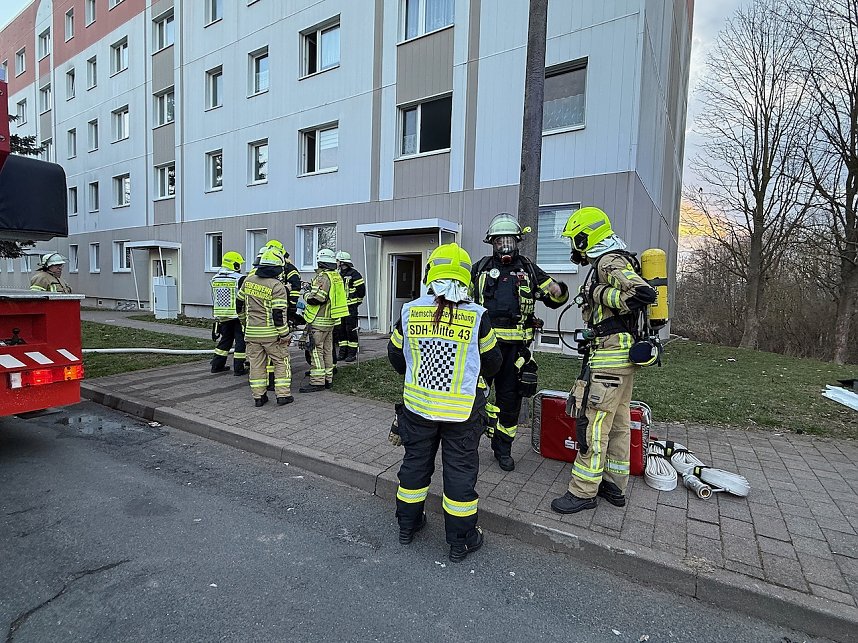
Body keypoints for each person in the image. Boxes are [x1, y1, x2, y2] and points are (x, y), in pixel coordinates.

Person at [388, 243, 502, 562]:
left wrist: (416, 371)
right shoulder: (477, 315)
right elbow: (493, 362)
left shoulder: (410, 310)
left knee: (414, 465)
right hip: (462, 411)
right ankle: (460, 540)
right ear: (466, 277)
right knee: (460, 472)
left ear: (430, 274)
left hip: (418, 408)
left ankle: (407, 526)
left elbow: (396, 355)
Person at [550, 207, 657, 514]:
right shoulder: (614, 259)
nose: (573, 248)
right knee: (620, 422)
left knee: (593, 424)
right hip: (620, 357)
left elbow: (642, 294)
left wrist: (596, 292)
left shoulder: (608, 262)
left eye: (575, 241)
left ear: (586, 238)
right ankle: (614, 485)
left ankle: (583, 492)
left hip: (610, 359)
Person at [471, 213, 569, 471]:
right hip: (483, 349)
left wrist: (559, 291)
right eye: (500, 241)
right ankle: (467, 445)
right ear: (491, 243)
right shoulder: (479, 268)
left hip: (516, 352)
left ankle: (503, 450)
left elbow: (554, 297)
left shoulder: (528, 269)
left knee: (510, 402)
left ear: (517, 242)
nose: (505, 246)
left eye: (510, 241)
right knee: (474, 397)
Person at [238, 248, 294, 407]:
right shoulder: (277, 286)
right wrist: (285, 335)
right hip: (271, 336)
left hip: (252, 334)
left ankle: (259, 397)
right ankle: (283, 395)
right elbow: (278, 315)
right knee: (281, 362)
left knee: (256, 365)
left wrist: (245, 323)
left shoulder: (248, 281)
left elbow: (239, 304)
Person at [299, 248, 349, 393]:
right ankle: (328, 379)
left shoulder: (323, 277)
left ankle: (317, 382)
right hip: (330, 321)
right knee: (327, 351)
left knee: (315, 351)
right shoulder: (336, 276)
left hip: (318, 321)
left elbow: (317, 299)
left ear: (320, 262)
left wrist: (307, 294)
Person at [210, 251, 247, 375]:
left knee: (226, 339)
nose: (240, 267)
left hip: (222, 315)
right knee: (240, 341)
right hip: (237, 315)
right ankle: (239, 368)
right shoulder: (240, 279)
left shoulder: (215, 278)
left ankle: (216, 365)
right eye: (239, 264)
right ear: (235, 265)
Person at [335, 251, 365, 363]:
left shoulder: (354, 274)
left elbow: (361, 290)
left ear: (342, 262)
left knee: (350, 330)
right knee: (341, 330)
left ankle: (352, 354)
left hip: (351, 307)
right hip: (340, 307)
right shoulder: (337, 274)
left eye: (338, 260)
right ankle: (342, 353)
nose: (336, 262)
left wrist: (357, 301)